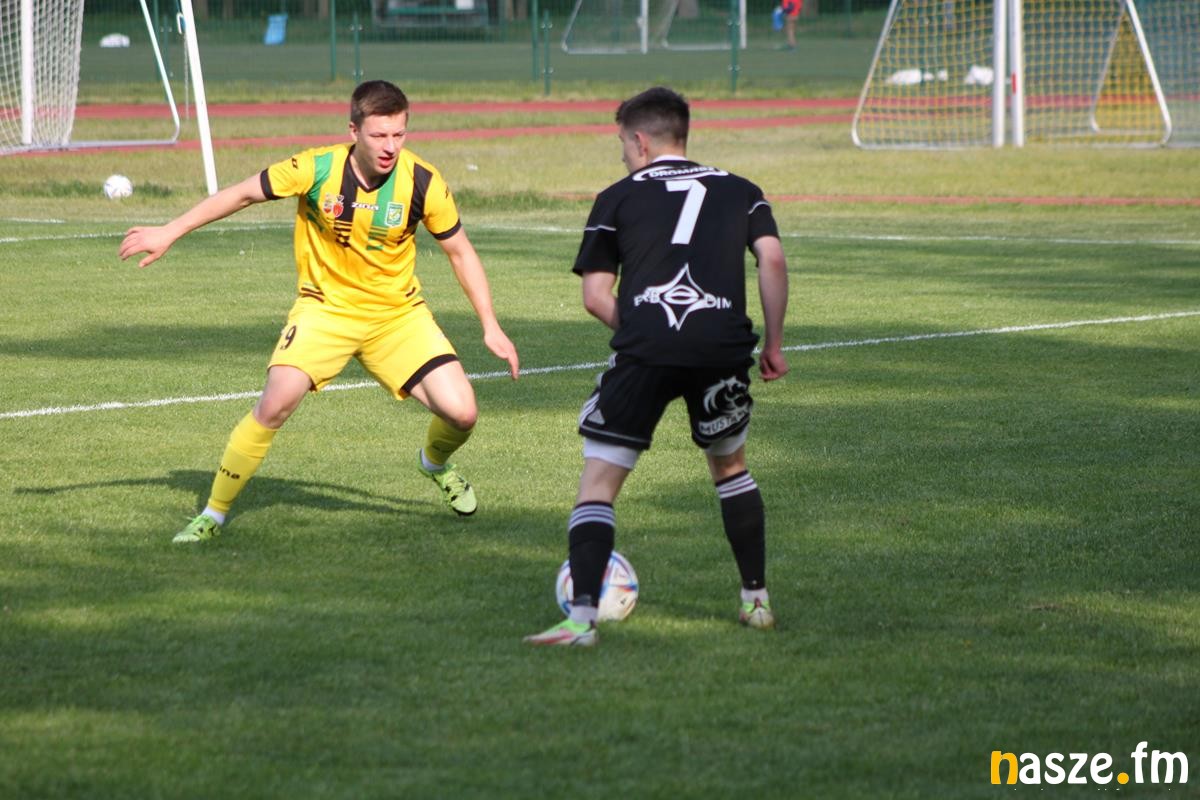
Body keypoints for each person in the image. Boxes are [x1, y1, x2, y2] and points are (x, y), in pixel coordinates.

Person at [119, 79, 519, 543]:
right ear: (354, 130)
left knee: (463, 413)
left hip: (397, 317)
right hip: (324, 311)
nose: (390, 147)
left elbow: (461, 253)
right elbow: (241, 194)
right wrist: (170, 230)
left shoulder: (424, 182)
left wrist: (490, 325)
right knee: (275, 403)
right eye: (379, 135)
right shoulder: (315, 168)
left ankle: (434, 464)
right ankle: (213, 514)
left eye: (399, 134)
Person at [525, 86, 789, 647]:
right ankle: (756, 602)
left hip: (645, 350)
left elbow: (596, 297)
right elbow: (772, 258)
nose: (623, 154)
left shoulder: (616, 197)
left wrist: (647, 330)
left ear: (640, 141)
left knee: (598, 484)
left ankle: (581, 621)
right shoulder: (742, 190)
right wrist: (774, 343)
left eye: (623, 144)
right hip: (721, 349)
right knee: (731, 469)